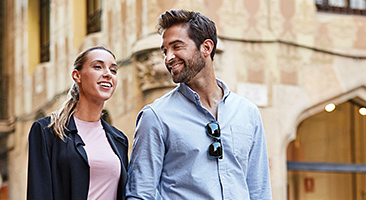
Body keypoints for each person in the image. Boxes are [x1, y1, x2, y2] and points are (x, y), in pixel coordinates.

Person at [126, 9, 272, 199]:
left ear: (206, 47)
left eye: (176, 47)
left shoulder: (247, 112)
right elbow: (140, 193)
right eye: (165, 51)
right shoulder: (155, 116)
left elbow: (259, 190)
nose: (168, 58)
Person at [27, 46, 128, 200]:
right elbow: (39, 193)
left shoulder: (119, 139)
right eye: (98, 67)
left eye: (113, 70)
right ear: (77, 76)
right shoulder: (46, 131)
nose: (108, 74)